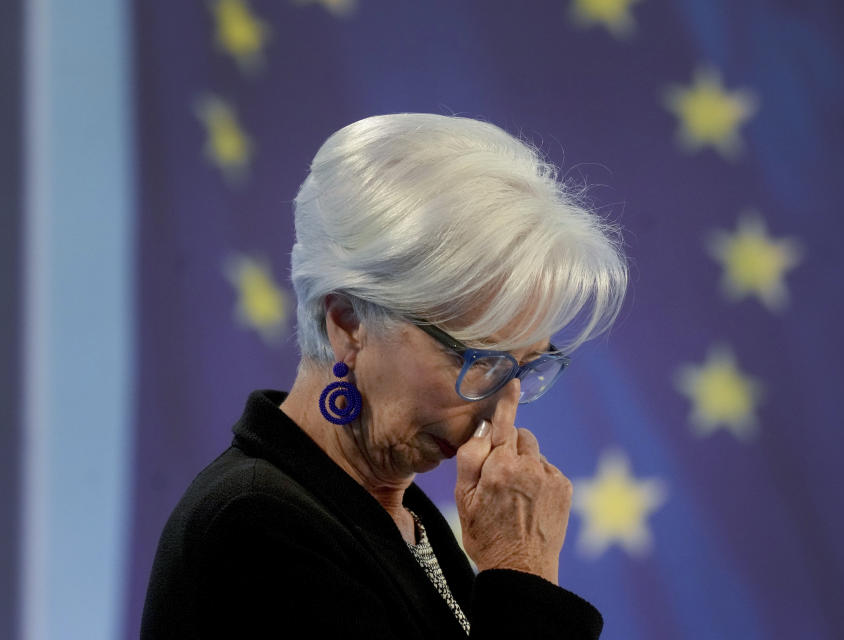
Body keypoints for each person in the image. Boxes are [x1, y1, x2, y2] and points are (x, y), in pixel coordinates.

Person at [141, 113, 628, 639]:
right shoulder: (257, 527)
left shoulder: (401, 516)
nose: (500, 413)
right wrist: (520, 572)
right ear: (349, 320)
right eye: (477, 359)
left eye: (525, 368)